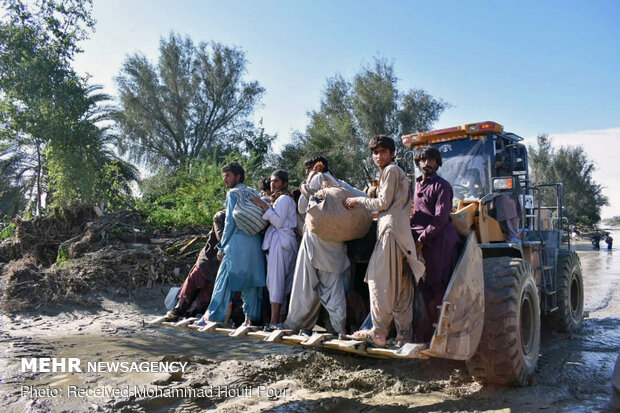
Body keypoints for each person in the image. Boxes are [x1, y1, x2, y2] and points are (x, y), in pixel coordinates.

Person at [344, 135, 425, 348]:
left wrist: (358, 200)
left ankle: (379, 332)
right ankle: (404, 336)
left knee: (379, 281)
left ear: (392, 153)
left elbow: (382, 203)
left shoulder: (390, 171)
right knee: (401, 287)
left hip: (390, 231)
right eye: (374, 152)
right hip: (401, 233)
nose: (377, 156)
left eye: (382, 152)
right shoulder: (396, 172)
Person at [284, 156, 351, 338]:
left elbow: (304, 207)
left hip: (317, 238)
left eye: (308, 169)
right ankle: (340, 328)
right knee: (332, 286)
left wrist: (308, 181)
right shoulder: (338, 183)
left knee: (305, 285)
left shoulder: (316, 179)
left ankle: (297, 323)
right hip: (335, 240)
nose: (307, 172)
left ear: (314, 167)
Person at [201, 162, 266, 326]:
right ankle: (251, 319)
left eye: (228, 175)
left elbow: (230, 222)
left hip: (236, 243)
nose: (225, 179)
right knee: (252, 283)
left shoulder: (233, 193)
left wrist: (222, 246)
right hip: (255, 243)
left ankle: (213, 316)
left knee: (224, 279)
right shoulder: (252, 192)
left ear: (238, 176)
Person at [410, 146, 461, 343]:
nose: (426, 164)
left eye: (431, 160)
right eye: (423, 160)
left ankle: (443, 337)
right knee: (421, 287)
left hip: (440, 242)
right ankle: (422, 335)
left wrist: (422, 239)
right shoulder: (415, 186)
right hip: (420, 241)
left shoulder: (442, 186)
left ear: (437, 163)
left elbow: (440, 218)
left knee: (438, 286)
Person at [251, 169, 299, 330]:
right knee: (282, 282)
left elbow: (278, 223)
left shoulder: (284, 199)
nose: (273, 184)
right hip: (283, 242)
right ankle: (280, 319)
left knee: (276, 282)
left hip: (281, 242)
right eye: (272, 181)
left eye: (277, 181)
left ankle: (273, 321)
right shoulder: (279, 199)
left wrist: (264, 206)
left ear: (285, 184)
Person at [164, 210, 225, 321]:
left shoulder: (238, 220)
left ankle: (193, 313)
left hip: (221, 263)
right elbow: (221, 237)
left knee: (208, 291)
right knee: (192, 284)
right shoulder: (220, 216)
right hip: (208, 258)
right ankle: (178, 309)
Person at [494, 149, 522, 242]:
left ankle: (514, 235)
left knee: (511, 213)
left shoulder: (509, 153)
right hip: (496, 191)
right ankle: (510, 234)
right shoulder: (486, 154)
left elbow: (513, 165)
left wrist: (501, 164)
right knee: (505, 213)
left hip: (511, 190)